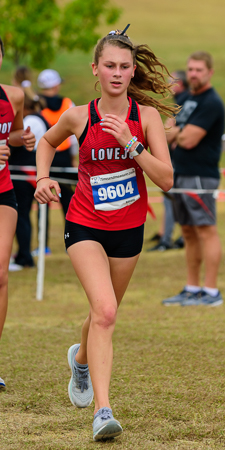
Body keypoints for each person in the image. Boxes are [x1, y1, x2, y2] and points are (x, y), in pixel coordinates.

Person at [34, 25, 175, 440]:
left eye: (124, 66)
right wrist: (42, 177)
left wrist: (133, 145)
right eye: (109, 65)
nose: (117, 72)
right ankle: (103, 410)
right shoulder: (80, 115)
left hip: (129, 230)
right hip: (84, 225)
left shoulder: (145, 118)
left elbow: (166, 179)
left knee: (103, 312)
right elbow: (45, 142)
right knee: (107, 311)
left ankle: (79, 360)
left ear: (133, 72)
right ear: (95, 69)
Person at [162, 51, 224, 306]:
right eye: (191, 69)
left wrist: (177, 132)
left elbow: (188, 140)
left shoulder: (212, 102)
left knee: (206, 230)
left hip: (201, 176)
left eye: (199, 69)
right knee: (187, 231)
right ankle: (192, 288)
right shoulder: (185, 98)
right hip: (180, 174)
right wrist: (177, 131)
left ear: (209, 72)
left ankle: (211, 292)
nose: (194, 74)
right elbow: (165, 133)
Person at [0, 38, 35, 388]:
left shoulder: (13, 96)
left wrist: (21, 141)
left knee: (0, 275)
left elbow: (10, 135)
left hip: (2, 193)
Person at [33, 69, 78, 257]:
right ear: (56, 85)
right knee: (69, 203)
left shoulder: (36, 105)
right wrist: (74, 160)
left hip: (45, 159)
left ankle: (43, 245)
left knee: (42, 203)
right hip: (65, 157)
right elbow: (75, 137)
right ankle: (74, 243)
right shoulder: (68, 103)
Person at [9, 72, 49, 270]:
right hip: (24, 174)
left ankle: (24, 256)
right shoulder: (36, 119)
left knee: (21, 215)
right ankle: (22, 254)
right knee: (21, 215)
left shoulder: (31, 121)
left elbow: (20, 144)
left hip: (24, 175)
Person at [148, 70, 189, 251]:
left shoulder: (183, 102)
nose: (168, 84)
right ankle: (171, 236)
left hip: (181, 162)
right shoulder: (184, 100)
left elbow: (168, 133)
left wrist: (169, 131)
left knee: (172, 200)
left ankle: (168, 240)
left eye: (170, 81)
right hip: (178, 161)